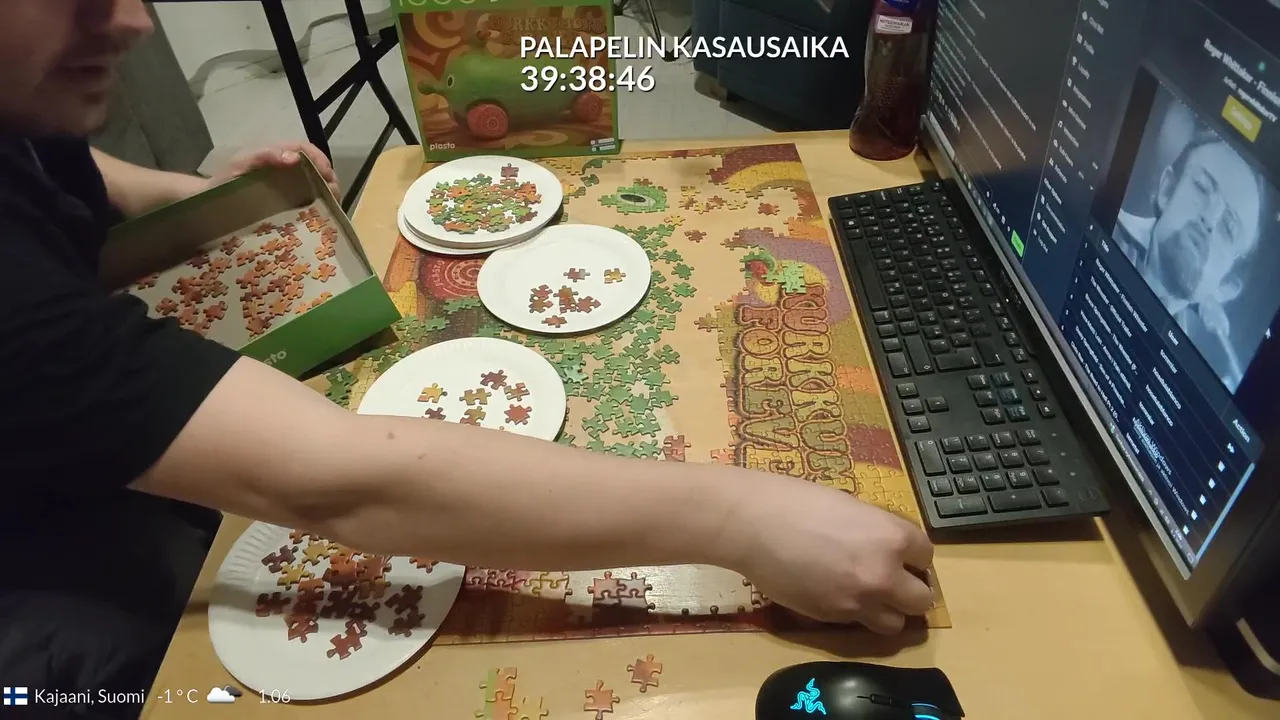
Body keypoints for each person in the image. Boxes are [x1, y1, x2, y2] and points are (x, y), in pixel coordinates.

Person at [0, 1, 934, 716]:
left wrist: (185, 196)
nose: (133, 21)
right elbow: (337, 483)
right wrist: (749, 519)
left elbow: (63, 165)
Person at [1114, 125, 1267, 391]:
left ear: (1226, 286)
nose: (1209, 218)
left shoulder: (1180, 377)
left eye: (1229, 227)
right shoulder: (1097, 228)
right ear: (1166, 190)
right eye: (1202, 187)